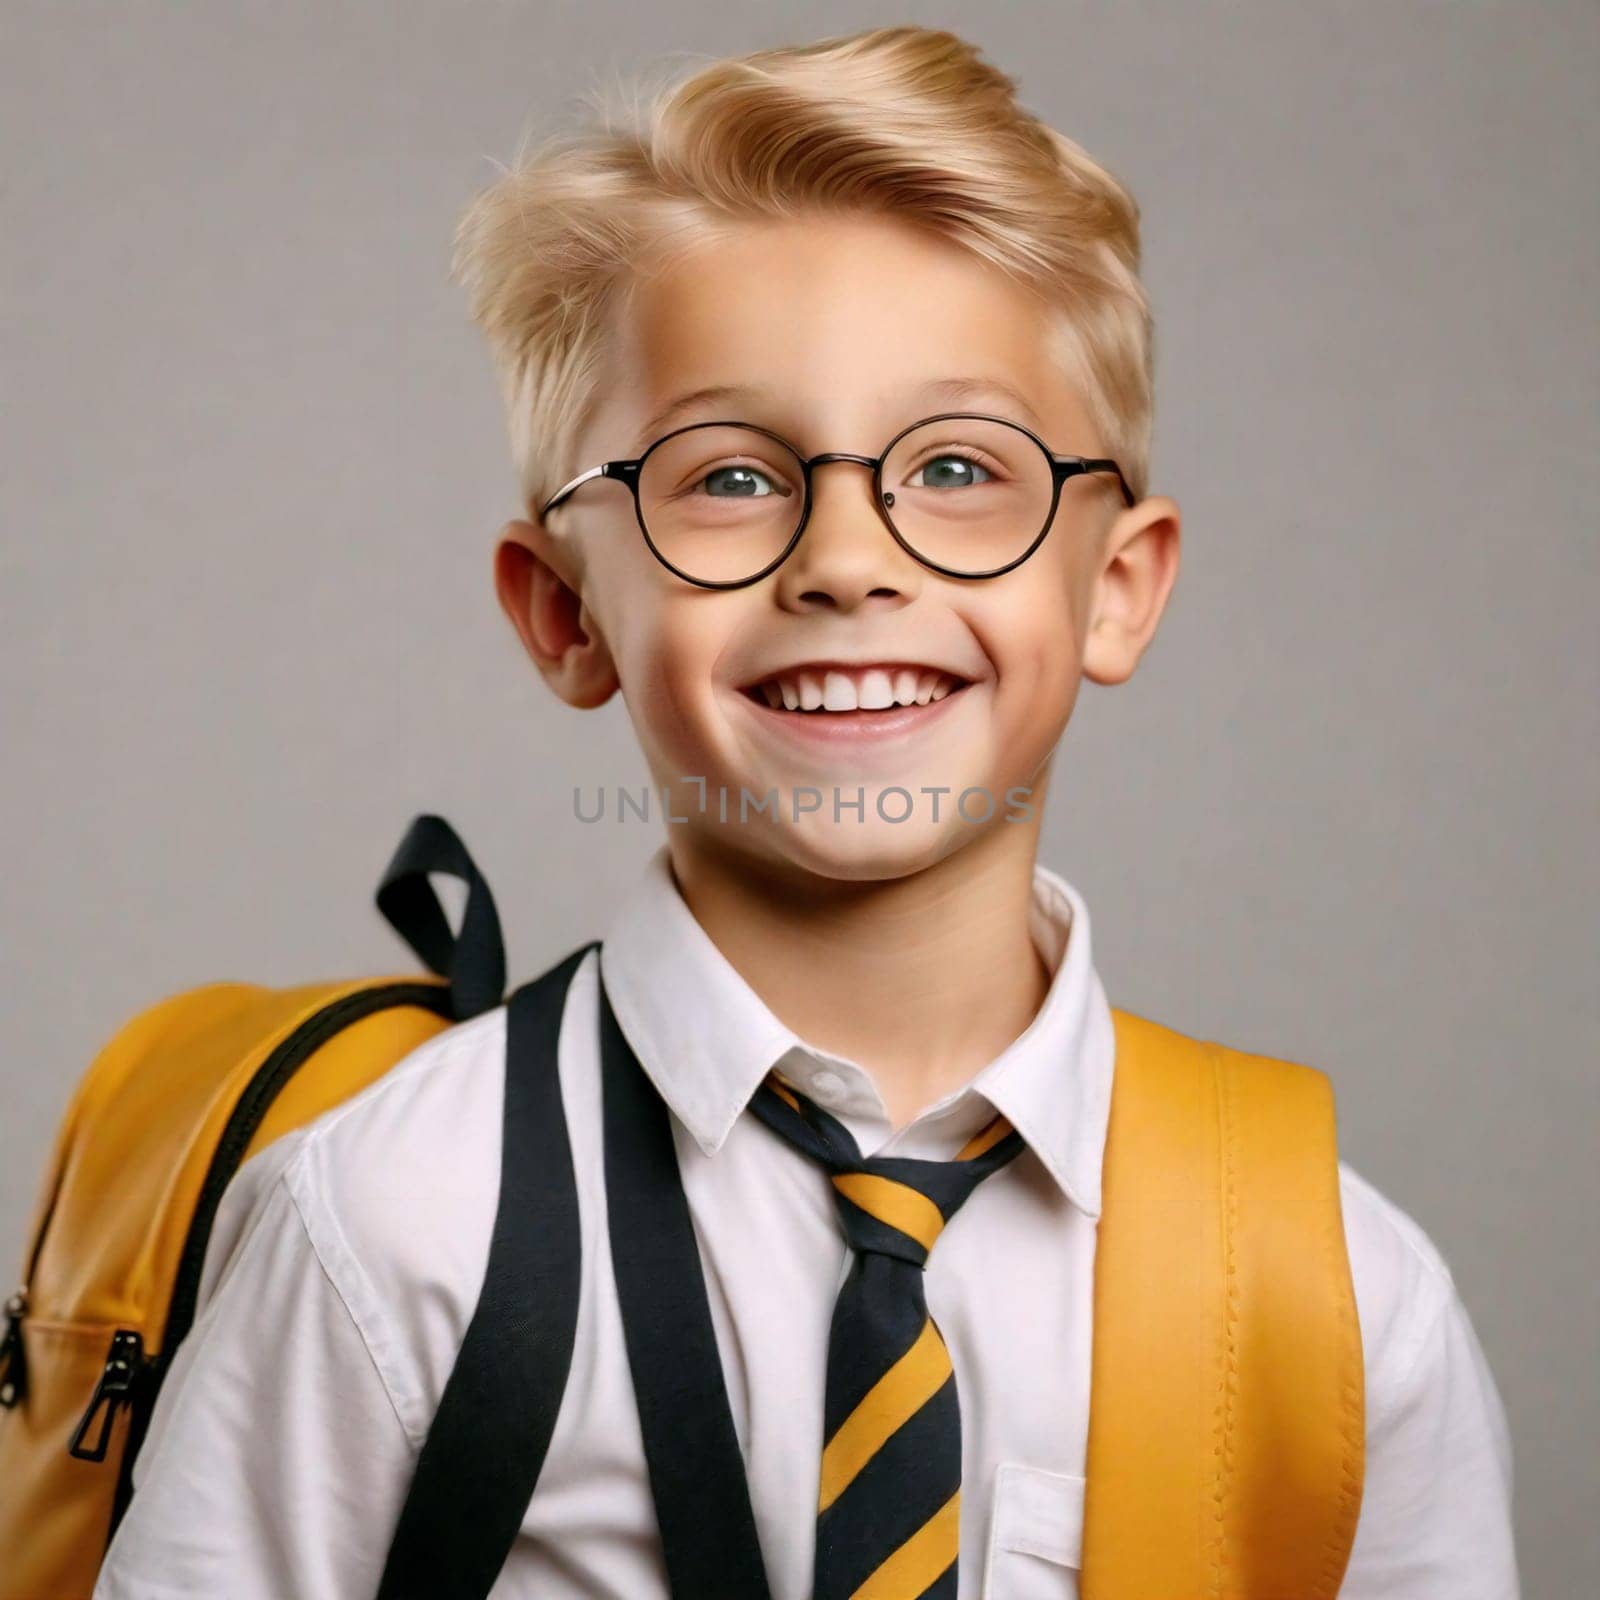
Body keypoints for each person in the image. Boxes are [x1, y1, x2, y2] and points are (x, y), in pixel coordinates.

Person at [92, 23, 1518, 1599]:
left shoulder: (1333, 1291)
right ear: (564, 611)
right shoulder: (393, 1222)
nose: (848, 557)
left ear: (1117, 591)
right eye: (730, 478)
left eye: (962, 466)